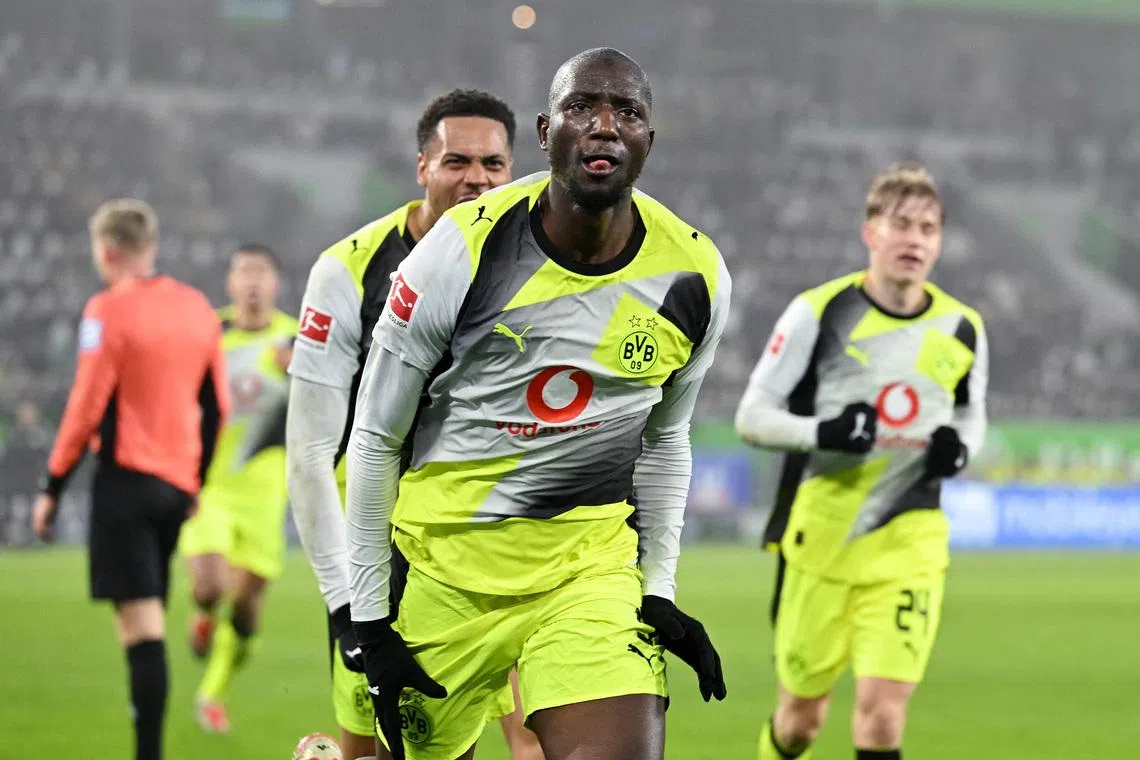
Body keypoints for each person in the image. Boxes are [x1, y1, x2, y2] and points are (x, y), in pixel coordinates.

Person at [344, 48, 730, 760]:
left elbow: (665, 441)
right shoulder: (458, 252)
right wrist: (369, 619)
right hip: (445, 575)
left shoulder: (694, 273)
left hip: (588, 575)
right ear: (548, 132)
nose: (606, 126)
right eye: (584, 108)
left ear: (650, 140)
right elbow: (375, 437)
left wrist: (659, 587)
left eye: (629, 113)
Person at [285, 88, 543, 760]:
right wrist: (345, 602)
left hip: (503, 539)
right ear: (421, 167)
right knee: (385, 747)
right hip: (386, 545)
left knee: (538, 740)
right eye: (457, 161)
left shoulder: (548, 267)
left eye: (493, 164)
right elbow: (310, 454)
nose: (477, 179)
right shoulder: (347, 271)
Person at [734, 161, 989, 760]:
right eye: (901, 224)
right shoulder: (818, 314)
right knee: (800, 723)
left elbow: (971, 414)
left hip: (910, 543)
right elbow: (751, 418)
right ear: (870, 231)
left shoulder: (963, 328)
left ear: (940, 242)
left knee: (882, 716)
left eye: (928, 228)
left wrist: (962, 446)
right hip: (821, 541)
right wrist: (822, 431)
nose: (914, 240)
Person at [32, 199, 229, 760]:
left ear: (106, 250)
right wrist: (196, 483)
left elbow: (87, 404)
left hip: (126, 484)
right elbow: (215, 407)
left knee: (142, 632)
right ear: (152, 246)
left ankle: (148, 754)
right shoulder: (196, 309)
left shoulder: (106, 310)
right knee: (152, 620)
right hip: (175, 489)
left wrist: (52, 486)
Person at [177, 243, 297, 732]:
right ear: (230, 283)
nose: (252, 282)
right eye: (243, 272)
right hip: (209, 487)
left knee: (246, 611)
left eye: (261, 273)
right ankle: (203, 615)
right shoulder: (206, 333)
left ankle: (213, 691)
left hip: (267, 495)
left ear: (275, 283)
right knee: (208, 586)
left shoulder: (298, 338)